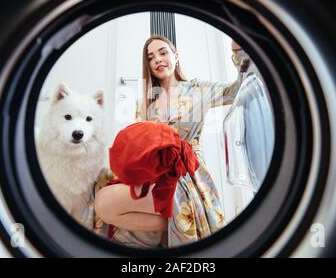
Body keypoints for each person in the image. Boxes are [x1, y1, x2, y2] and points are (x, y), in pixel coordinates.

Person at [88, 35, 250, 248]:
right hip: (154, 171)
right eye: (151, 57)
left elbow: (238, 90)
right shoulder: (144, 103)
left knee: (105, 202)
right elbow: (141, 147)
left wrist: (239, 52)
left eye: (163, 52)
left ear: (176, 56)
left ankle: (184, 223)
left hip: (186, 173)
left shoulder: (197, 89)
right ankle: (179, 226)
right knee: (101, 188)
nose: (157, 59)